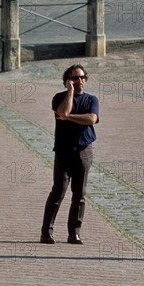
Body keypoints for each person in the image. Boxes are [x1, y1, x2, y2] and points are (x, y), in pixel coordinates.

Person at [40, 64, 100, 245]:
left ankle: (74, 233)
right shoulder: (59, 97)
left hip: (84, 151)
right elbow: (63, 111)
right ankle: (46, 232)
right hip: (63, 152)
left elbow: (92, 119)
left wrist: (69, 117)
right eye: (74, 78)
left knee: (79, 194)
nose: (79, 81)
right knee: (58, 191)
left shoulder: (91, 100)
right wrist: (70, 93)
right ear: (67, 81)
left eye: (82, 78)